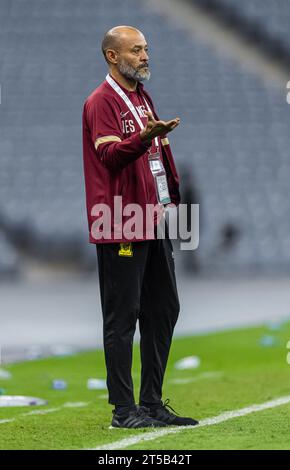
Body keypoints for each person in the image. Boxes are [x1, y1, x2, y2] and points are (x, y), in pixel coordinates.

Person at [82, 25, 198, 429]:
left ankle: (150, 403)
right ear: (113, 56)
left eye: (146, 48)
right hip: (120, 220)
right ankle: (122, 410)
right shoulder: (101, 102)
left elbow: (158, 160)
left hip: (154, 218)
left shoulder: (142, 98)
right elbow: (111, 157)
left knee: (164, 307)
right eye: (136, 49)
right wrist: (144, 138)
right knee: (122, 316)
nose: (146, 55)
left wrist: (174, 203)